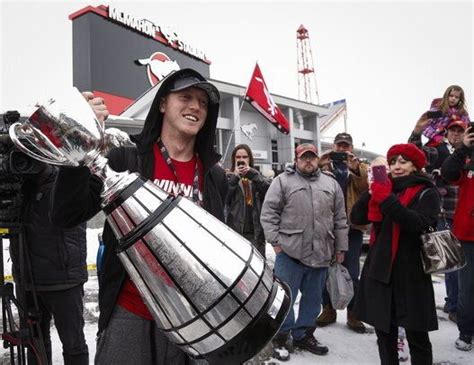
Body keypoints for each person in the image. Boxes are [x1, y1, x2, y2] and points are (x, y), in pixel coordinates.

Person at [51, 68, 228, 364]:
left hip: (195, 320)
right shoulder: (126, 159)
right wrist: (77, 142)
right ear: (162, 104)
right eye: (185, 97)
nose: (196, 107)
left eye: (203, 102)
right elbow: (66, 214)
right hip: (130, 310)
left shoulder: (214, 176)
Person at [351, 143, 440, 364]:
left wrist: (386, 198)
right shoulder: (385, 188)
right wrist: (371, 193)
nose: (396, 166)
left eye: (403, 161)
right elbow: (357, 218)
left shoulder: (427, 191)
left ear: (415, 166)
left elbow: (419, 224)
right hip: (382, 271)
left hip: (412, 273)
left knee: (417, 336)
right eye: (392, 162)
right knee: (385, 334)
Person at [260, 143, 348, 360]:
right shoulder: (282, 181)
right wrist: (276, 243)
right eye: (303, 157)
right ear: (296, 160)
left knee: (313, 298)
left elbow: (340, 218)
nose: (308, 161)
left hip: (322, 253)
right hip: (290, 253)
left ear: (317, 159)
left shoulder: (331, 184)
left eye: (312, 157)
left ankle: (304, 334)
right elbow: (268, 213)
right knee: (285, 299)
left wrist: (341, 248)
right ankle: (281, 336)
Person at [9, 163, 88, 364]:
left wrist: (42, 169)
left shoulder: (66, 178)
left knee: (73, 345)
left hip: (64, 279)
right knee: (35, 343)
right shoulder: (20, 185)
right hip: (27, 278)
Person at [409, 118, 468, 322]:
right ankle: (453, 305)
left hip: (466, 216)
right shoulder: (437, 150)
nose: (455, 134)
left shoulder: (470, 151)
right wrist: (417, 133)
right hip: (444, 213)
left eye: (460, 131)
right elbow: (416, 155)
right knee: (450, 262)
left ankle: (462, 304)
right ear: (446, 133)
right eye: (452, 130)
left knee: (465, 266)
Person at [316, 132, 369, 333]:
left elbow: (367, 187)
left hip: (351, 228)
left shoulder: (360, 167)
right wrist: (320, 164)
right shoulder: (323, 167)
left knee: (352, 273)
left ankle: (353, 314)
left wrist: (355, 169)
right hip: (326, 228)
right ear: (334, 146)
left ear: (352, 148)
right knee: (324, 271)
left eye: (346, 146)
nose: (342, 149)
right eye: (339, 146)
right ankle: (328, 309)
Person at [441, 124, 474, 351]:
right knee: (468, 288)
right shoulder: (468, 159)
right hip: (467, 234)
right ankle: (466, 332)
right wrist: (463, 148)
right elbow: (448, 174)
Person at [226, 144, 271, 257]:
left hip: (256, 233)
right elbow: (224, 199)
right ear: (234, 159)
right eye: (238, 157)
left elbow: (269, 193)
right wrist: (235, 177)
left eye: (245, 157)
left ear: (250, 159)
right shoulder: (228, 177)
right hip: (236, 233)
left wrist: (254, 175)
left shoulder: (257, 177)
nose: (241, 160)